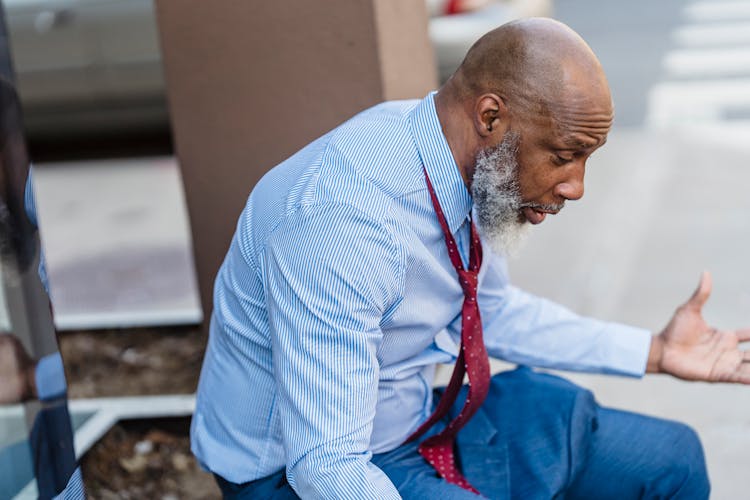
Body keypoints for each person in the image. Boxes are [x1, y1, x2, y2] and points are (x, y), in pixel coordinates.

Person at [191, 18, 749, 499]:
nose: (577, 187)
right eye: (564, 156)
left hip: (419, 419)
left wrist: (654, 350)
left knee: (672, 460)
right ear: (490, 118)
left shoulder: (466, 163)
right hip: (298, 472)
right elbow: (328, 467)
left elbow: (491, 314)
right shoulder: (343, 223)